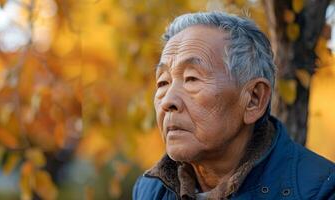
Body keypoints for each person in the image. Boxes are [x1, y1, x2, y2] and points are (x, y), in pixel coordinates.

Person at [132, 12, 335, 200]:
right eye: (163, 82)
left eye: (191, 79)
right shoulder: (149, 190)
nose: (168, 101)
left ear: (253, 99)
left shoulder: (320, 190)